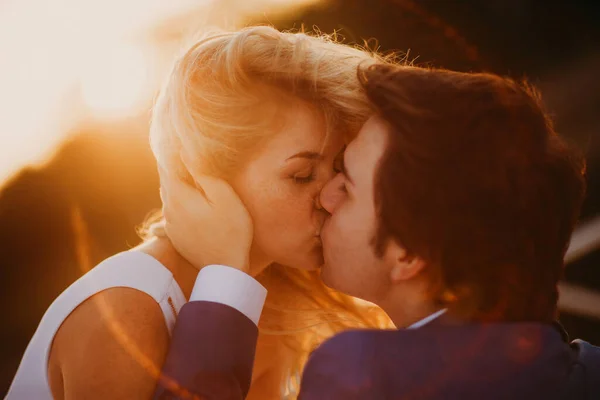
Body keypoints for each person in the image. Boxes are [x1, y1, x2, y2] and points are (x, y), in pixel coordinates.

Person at [153, 64, 600, 399]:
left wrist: (226, 277)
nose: (325, 199)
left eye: (346, 185)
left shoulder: (362, 376)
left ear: (408, 254)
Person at [6, 26, 394, 400]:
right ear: (206, 176)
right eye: (301, 175)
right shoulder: (128, 307)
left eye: (340, 167)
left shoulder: (275, 291)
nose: (330, 197)